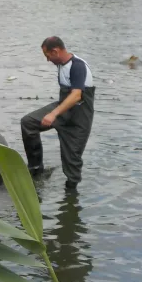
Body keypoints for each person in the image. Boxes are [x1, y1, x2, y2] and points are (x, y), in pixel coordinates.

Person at [21, 36, 95, 190]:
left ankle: (71, 195)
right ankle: (36, 169)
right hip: (63, 108)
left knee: (72, 162)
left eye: (48, 56)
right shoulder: (61, 64)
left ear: (55, 51)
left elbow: (76, 96)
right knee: (28, 123)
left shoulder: (78, 66)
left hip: (79, 118)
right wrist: (55, 113)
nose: (48, 60)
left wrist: (53, 114)